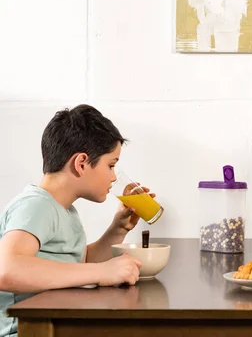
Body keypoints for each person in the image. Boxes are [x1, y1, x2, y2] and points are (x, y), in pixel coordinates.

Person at [0, 104, 150, 337]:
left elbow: (77, 264)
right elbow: (6, 269)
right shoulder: (36, 206)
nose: (113, 177)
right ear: (81, 163)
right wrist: (101, 272)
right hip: (28, 331)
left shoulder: (65, 210)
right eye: (111, 165)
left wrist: (118, 228)